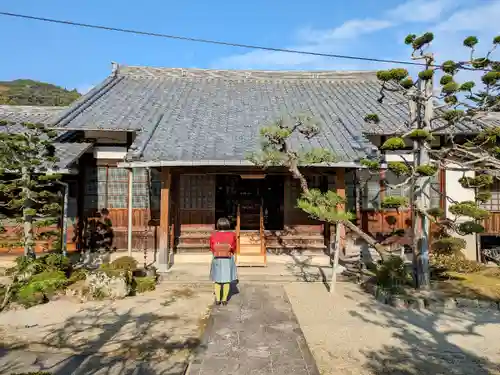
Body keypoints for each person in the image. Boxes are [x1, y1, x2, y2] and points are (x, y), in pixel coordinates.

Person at [209, 217, 238, 306]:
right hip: (228, 257)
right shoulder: (232, 234)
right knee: (227, 280)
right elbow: (234, 247)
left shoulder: (213, 235)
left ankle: (218, 299)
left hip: (217, 257)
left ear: (218, 225)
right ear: (227, 224)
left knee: (217, 280)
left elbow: (211, 247)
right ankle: (224, 299)